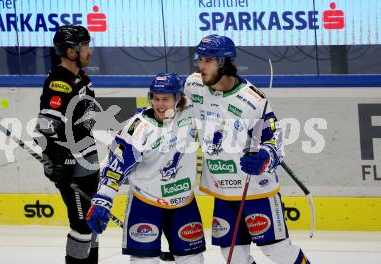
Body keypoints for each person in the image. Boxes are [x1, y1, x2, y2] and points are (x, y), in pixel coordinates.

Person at [184, 34, 310, 264]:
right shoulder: (193, 86)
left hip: (256, 190)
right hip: (222, 190)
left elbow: (276, 143)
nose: (201, 66)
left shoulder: (253, 100)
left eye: (207, 61)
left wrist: (264, 156)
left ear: (224, 62)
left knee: (278, 251)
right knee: (232, 256)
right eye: (199, 60)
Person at [86, 73, 206, 264]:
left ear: (178, 98)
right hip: (146, 203)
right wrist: (102, 201)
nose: (160, 104)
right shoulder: (137, 128)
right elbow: (115, 166)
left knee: (193, 260)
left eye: (165, 99)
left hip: (184, 203)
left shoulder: (191, 111)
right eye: (156, 99)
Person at [34, 24, 100, 264]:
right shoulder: (59, 83)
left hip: (88, 158)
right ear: (71, 51)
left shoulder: (81, 77)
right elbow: (47, 127)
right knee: (81, 226)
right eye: (85, 47)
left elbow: (87, 116)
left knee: (93, 221)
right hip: (72, 165)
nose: (89, 52)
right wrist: (58, 163)